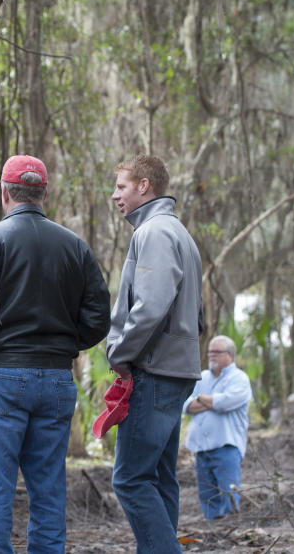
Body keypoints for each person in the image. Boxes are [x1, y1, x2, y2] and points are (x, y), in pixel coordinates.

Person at [0, 155, 111, 554]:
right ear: (44, 194)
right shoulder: (75, 247)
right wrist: (65, 346)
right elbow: (99, 317)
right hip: (55, 379)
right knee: (49, 489)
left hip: (0, 377)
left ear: (4, 192)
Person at [107, 154, 203, 553]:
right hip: (174, 371)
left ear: (144, 186)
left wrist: (120, 353)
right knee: (159, 478)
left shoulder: (157, 232)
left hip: (154, 369)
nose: (115, 196)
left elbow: (150, 306)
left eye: (121, 187)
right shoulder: (178, 233)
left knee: (129, 479)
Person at [183, 335, 252, 520]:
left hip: (226, 446)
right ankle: (212, 527)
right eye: (210, 352)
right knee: (207, 493)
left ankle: (231, 528)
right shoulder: (202, 377)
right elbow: (186, 405)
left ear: (229, 355)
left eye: (216, 352)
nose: (211, 355)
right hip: (201, 447)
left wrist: (202, 399)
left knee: (227, 491)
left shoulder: (240, 379)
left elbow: (225, 403)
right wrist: (210, 401)